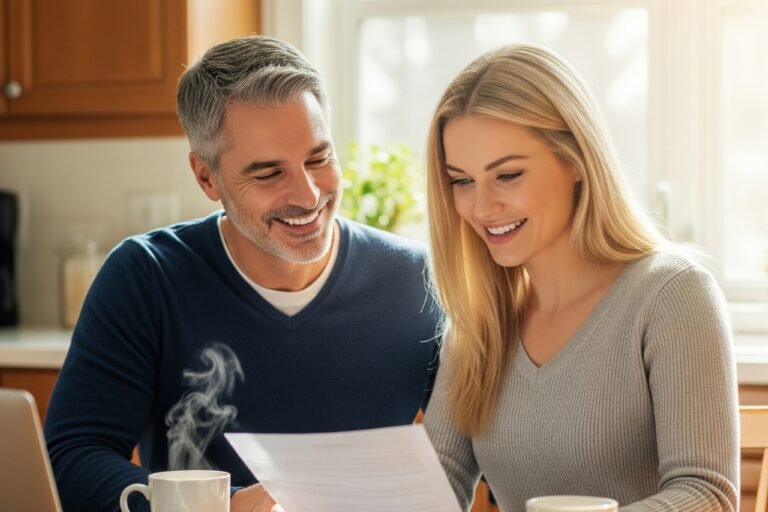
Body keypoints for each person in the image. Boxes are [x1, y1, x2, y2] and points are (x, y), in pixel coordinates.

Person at [44, 35, 440, 512]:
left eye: (319, 158)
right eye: (269, 173)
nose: (309, 194)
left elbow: (471, 456)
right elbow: (72, 459)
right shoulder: (147, 278)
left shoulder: (415, 280)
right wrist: (222, 508)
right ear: (206, 177)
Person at [422, 44, 738, 511]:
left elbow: (707, 495)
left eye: (507, 175)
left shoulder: (672, 294)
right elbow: (435, 487)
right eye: (461, 181)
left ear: (576, 159)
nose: (483, 207)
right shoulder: (479, 321)